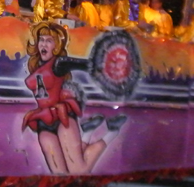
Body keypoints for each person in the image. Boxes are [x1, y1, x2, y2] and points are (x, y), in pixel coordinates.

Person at [22, 22, 126, 174]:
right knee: (60, 174)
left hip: (61, 117)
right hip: (44, 120)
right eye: (42, 40)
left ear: (56, 46)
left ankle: (112, 132)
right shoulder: (34, 64)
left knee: (78, 170)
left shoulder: (58, 63)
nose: (43, 44)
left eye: (49, 41)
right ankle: (87, 133)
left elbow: (86, 65)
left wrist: (109, 64)